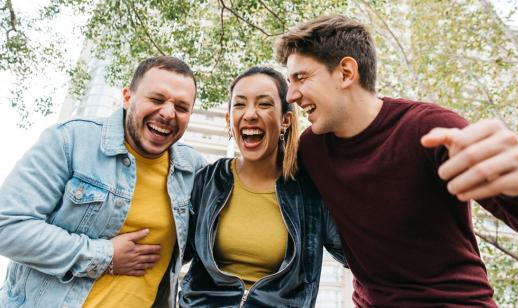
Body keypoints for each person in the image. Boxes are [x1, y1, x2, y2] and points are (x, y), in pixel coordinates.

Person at [275, 15, 518, 307]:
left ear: (345, 73)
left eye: (301, 78)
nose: (292, 94)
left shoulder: (430, 129)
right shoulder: (312, 149)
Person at [0, 56, 206, 307]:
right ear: (128, 97)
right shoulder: (70, 140)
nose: (167, 113)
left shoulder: (194, 170)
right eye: (156, 99)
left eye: (182, 107)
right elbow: (8, 226)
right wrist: (105, 256)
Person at [179, 66, 345, 307]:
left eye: (264, 104)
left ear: (285, 120)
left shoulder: (310, 194)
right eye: (239, 104)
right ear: (229, 120)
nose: (250, 114)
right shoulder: (207, 181)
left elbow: (362, 257)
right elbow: (169, 253)